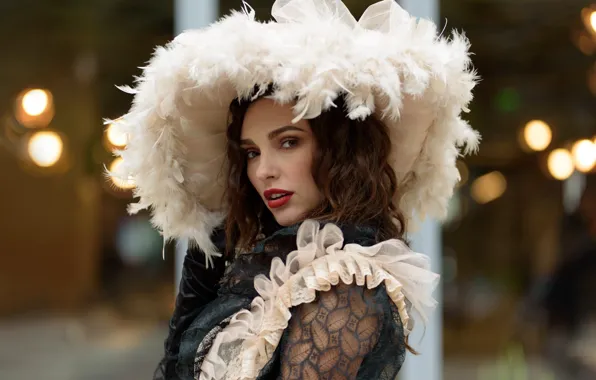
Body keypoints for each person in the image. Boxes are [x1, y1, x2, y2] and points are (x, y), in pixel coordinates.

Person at [110, 1, 478, 379]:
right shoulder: (272, 272)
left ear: (339, 153)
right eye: (251, 152)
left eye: (288, 142)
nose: (263, 171)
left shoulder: (345, 285)